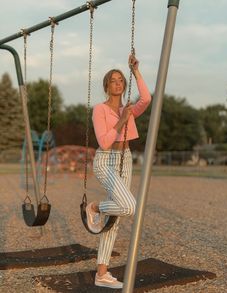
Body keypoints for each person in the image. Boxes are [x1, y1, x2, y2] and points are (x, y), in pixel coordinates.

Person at [86, 54, 152, 289]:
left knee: (114, 220)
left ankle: (101, 273)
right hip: (106, 160)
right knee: (128, 206)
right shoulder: (100, 110)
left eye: (121, 80)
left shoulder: (129, 109)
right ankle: (94, 207)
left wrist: (135, 71)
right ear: (107, 86)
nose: (117, 83)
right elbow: (104, 142)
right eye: (113, 80)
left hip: (125, 159)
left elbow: (146, 98)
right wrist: (122, 120)